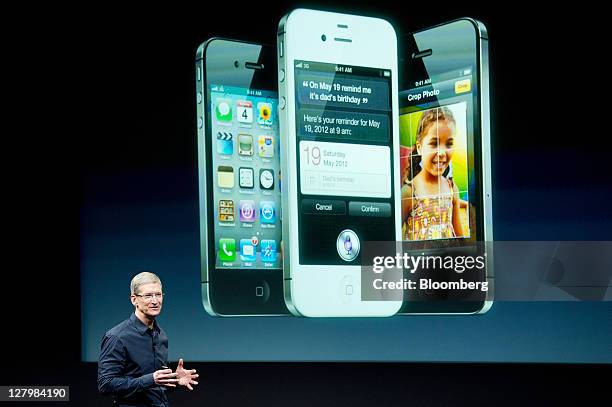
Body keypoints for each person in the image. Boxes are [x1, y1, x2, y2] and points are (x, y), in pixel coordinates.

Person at [98, 272, 198, 406]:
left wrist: (175, 380)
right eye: (148, 296)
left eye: (158, 294)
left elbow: (157, 384)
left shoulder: (160, 334)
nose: (155, 301)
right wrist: (150, 379)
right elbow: (105, 384)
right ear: (134, 300)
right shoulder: (117, 337)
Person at [401, 106, 467, 240]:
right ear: (419, 148)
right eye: (434, 144)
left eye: (449, 144)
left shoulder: (451, 188)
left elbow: (460, 237)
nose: (442, 153)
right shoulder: (409, 192)